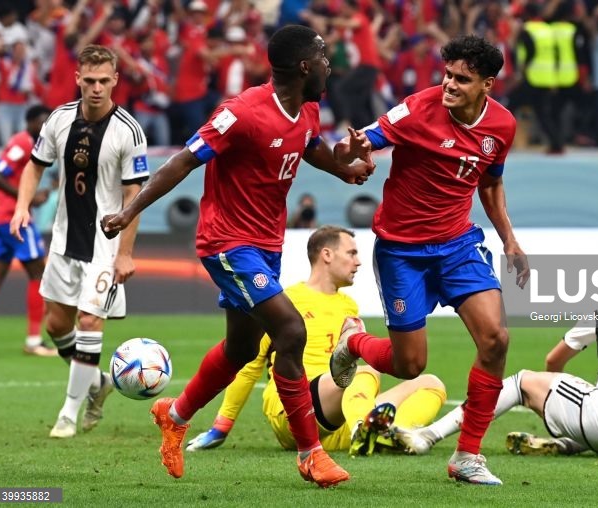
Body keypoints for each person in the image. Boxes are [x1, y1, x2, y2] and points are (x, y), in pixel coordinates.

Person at [99, 25, 373, 488]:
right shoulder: (241, 113)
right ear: (304, 66)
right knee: (290, 330)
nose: (330, 63)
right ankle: (311, 454)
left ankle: (176, 412)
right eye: (323, 56)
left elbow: (309, 146)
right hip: (227, 242)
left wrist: (344, 171)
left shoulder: (306, 107)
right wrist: (129, 211)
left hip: (265, 244)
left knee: (242, 348)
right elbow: (183, 161)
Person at [330, 34, 529, 486]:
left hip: (458, 245)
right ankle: (355, 343)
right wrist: (353, 150)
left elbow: (491, 184)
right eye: (447, 74)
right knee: (410, 366)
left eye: (463, 79)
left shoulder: (502, 126)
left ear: (488, 85)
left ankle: (468, 456)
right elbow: (367, 141)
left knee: (496, 339)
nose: (450, 84)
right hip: (402, 251)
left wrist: (510, 241)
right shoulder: (418, 108)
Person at [396, 249, 598, 460]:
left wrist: (547, 397)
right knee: (593, 404)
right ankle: (570, 443)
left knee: (522, 380)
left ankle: (428, 435)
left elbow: (554, 362)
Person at [185, 226, 447, 455]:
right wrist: (222, 425)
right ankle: (362, 427)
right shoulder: (285, 301)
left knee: (431, 384)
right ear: (327, 255)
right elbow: (250, 365)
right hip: (292, 412)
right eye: (352, 253)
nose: (358, 262)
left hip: (335, 417)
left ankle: (383, 434)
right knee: (364, 372)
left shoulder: (349, 307)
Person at [9, 45, 149, 439]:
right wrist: (22, 208)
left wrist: (125, 254)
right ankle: (97, 382)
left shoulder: (129, 131)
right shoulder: (59, 119)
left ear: (116, 81)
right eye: (90, 80)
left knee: (90, 320)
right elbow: (34, 167)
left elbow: (133, 197)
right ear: (78, 79)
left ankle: (68, 414)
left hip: (105, 246)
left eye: (104, 80)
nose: (97, 88)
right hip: (64, 240)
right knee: (57, 325)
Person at [0, 104, 54, 356]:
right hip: (14, 218)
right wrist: (25, 199)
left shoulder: (34, 145)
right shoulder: (22, 143)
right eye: (41, 122)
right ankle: (33, 342)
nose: (45, 128)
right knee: (38, 273)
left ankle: (34, 341)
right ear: (29, 122)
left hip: (1, 218)